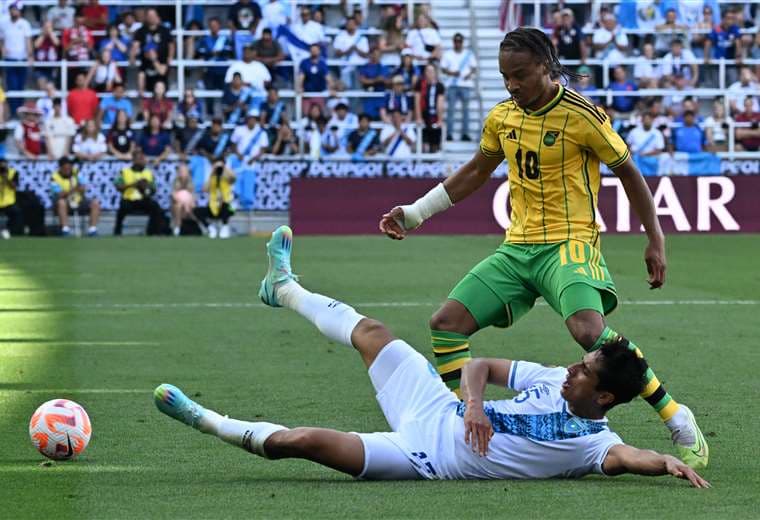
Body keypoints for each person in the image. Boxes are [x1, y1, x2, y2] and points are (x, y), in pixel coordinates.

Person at [378, 27, 708, 470]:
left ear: (546, 68)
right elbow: (477, 170)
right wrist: (415, 212)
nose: (512, 86)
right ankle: (456, 419)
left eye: (520, 75)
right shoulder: (502, 117)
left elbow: (628, 172)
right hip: (517, 248)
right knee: (445, 324)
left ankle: (675, 416)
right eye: (504, 77)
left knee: (588, 332)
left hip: (570, 244)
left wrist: (655, 238)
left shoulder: (583, 115)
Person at [154, 226, 710, 488]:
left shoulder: (597, 447)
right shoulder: (548, 378)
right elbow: (481, 367)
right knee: (372, 332)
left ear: (606, 397)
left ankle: (207, 421)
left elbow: (634, 457)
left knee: (301, 443)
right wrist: (471, 404)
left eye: (584, 371)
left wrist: (667, 462)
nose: (571, 367)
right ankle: (285, 288)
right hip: (440, 406)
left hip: (423, 455)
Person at [113, 149, 167, 236]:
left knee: (156, 207)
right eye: (140, 159)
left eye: (143, 158)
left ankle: (154, 231)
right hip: (129, 200)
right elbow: (118, 186)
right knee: (122, 209)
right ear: (134, 160)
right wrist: (133, 184)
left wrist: (146, 187)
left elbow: (153, 189)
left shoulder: (148, 172)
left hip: (143, 199)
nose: (143, 160)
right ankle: (117, 232)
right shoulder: (124, 172)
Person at [440, 33, 477, 142]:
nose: (458, 43)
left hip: (465, 85)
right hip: (452, 85)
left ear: (462, 42)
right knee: (451, 110)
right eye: (456, 41)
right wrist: (451, 73)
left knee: (465, 111)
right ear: (453, 42)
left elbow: (474, 68)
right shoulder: (448, 54)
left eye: (460, 41)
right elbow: (443, 69)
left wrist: (468, 75)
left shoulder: (469, 54)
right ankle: (449, 134)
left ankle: (465, 133)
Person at [50, 156, 100, 236]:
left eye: (69, 168)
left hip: (78, 200)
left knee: (95, 203)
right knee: (61, 202)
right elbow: (60, 194)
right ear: (60, 168)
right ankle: (65, 230)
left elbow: (83, 188)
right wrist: (73, 189)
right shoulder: (54, 177)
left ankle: (92, 230)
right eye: (65, 169)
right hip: (64, 202)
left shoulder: (76, 173)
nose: (68, 170)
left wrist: (77, 188)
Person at [0, 2, 33, 115]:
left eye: (15, 10)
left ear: (20, 11)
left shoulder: (25, 24)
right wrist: (3, 49)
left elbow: (28, 42)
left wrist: (30, 56)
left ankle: (20, 111)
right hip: (9, 59)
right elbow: (1, 40)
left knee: (20, 86)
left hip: (22, 59)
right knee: (12, 86)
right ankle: (14, 112)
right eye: (12, 10)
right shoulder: (4, 24)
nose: (13, 12)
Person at [194, 158, 236, 239]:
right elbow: (204, 189)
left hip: (228, 207)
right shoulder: (212, 177)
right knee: (196, 211)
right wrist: (212, 172)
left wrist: (224, 168)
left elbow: (233, 178)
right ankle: (210, 228)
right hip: (213, 205)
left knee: (227, 206)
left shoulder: (227, 177)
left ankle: (225, 227)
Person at [194, 17, 234, 93]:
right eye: (211, 25)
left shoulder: (225, 39)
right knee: (209, 94)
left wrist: (214, 52)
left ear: (219, 26)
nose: (213, 27)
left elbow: (229, 52)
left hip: (222, 70)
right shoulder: (205, 39)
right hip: (210, 71)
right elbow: (200, 52)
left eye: (215, 25)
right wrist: (213, 53)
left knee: (224, 94)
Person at [414, 64, 445, 153]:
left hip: (434, 115)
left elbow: (440, 104)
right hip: (424, 115)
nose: (430, 73)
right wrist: (418, 117)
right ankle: (424, 162)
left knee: (435, 143)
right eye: (428, 71)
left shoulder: (439, 86)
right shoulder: (420, 83)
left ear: (435, 73)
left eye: (432, 71)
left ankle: (433, 163)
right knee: (424, 144)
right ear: (425, 73)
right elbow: (417, 101)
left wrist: (440, 119)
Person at [333, 15, 369, 89]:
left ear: (356, 25)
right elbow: (337, 53)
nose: (350, 25)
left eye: (352, 24)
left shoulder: (362, 38)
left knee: (358, 89)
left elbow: (366, 55)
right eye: (348, 24)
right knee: (346, 88)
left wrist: (356, 49)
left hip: (359, 67)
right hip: (345, 67)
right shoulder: (340, 36)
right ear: (346, 25)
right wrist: (349, 50)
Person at [297, 44, 331, 114]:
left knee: (320, 114)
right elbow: (301, 77)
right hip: (307, 94)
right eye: (312, 50)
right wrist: (299, 87)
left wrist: (331, 88)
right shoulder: (304, 62)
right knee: (306, 114)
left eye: (315, 50)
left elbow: (328, 77)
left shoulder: (322, 63)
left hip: (319, 93)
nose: (314, 51)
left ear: (319, 51)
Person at [357, 47, 389, 120]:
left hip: (381, 97)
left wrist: (383, 80)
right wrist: (375, 80)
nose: (376, 56)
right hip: (369, 97)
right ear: (371, 55)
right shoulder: (365, 67)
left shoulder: (383, 67)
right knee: (369, 118)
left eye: (378, 54)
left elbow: (388, 81)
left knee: (382, 119)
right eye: (374, 54)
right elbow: (362, 80)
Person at [170, 162, 197, 236]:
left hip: (188, 205)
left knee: (193, 208)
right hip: (177, 205)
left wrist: (188, 203)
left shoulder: (191, 183)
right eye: (181, 171)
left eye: (185, 171)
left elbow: (193, 197)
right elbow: (173, 196)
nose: (183, 173)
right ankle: (177, 227)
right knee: (178, 206)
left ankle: (195, 228)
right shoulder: (174, 182)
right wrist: (183, 203)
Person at [0, 158, 21, 239]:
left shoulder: (13, 173)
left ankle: (7, 230)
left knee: (17, 214)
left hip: (9, 201)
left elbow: (14, 187)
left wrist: (6, 178)